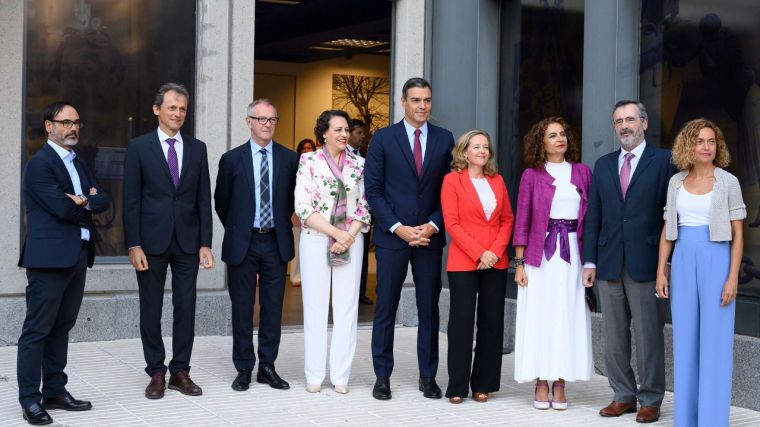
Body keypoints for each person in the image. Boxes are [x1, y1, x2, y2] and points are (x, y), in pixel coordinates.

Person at [582, 100, 677, 423]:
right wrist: (589, 262)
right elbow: (594, 216)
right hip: (609, 262)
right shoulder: (604, 164)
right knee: (613, 337)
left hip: (647, 262)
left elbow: (672, 215)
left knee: (649, 335)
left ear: (644, 123)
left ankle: (651, 398)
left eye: (630, 120)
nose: (624, 126)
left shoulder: (664, 161)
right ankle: (623, 395)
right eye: (619, 121)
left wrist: (667, 262)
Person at [17, 101, 110, 426]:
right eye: (66, 122)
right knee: (37, 330)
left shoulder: (78, 161)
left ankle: (55, 391)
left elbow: (105, 199)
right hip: (48, 260)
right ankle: (30, 400)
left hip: (77, 256)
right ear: (49, 126)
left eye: (77, 123)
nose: (73, 128)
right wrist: (88, 201)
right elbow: (61, 209)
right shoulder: (40, 164)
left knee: (61, 327)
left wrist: (85, 199)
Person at [364, 77, 455, 400]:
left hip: (429, 238)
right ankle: (382, 376)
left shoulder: (445, 139)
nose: (422, 106)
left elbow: (451, 190)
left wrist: (432, 225)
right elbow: (372, 191)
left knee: (429, 308)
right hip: (393, 238)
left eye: (427, 100)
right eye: (416, 100)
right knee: (385, 308)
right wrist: (398, 227)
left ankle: (428, 377)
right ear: (403, 102)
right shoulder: (383, 139)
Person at [123, 83, 215, 399]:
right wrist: (133, 244)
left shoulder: (198, 148)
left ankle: (180, 371)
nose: (177, 113)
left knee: (186, 307)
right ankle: (156, 372)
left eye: (182, 109)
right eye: (172, 107)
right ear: (156, 109)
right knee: (151, 308)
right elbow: (131, 200)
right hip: (150, 243)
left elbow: (204, 199)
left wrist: (206, 242)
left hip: (188, 242)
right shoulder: (138, 147)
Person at [656, 119, 745, 427]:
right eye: (700, 141)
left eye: (711, 141)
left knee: (715, 342)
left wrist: (732, 277)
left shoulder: (728, 182)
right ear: (688, 147)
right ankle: (687, 420)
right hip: (683, 260)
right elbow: (668, 229)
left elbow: (738, 234)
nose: (706, 147)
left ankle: (712, 420)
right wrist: (661, 271)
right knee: (685, 340)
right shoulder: (676, 182)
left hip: (717, 258)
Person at [214, 99, 299, 392]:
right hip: (244, 242)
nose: (267, 124)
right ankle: (243, 367)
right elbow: (221, 203)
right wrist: (240, 228)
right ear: (248, 121)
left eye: (272, 119)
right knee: (242, 307)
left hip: (276, 241)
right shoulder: (231, 159)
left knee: (273, 308)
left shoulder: (290, 159)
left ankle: (267, 367)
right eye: (261, 119)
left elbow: (291, 200)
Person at [512, 118, 593, 410]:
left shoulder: (583, 172)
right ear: (541, 142)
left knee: (566, 316)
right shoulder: (531, 176)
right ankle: (541, 381)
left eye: (563, 134)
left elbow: (592, 218)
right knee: (541, 316)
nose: (560, 139)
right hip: (540, 257)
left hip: (573, 254)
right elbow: (521, 221)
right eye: (552, 135)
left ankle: (560, 381)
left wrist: (591, 262)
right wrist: (519, 263)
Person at [294, 110, 371, 394]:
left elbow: (365, 206)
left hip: (351, 240)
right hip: (317, 238)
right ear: (323, 132)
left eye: (346, 129)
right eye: (337, 129)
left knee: (347, 308)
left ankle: (341, 375)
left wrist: (348, 236)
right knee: (314, 307)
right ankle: (314, 373)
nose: (343, 134)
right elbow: (303, 207)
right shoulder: (308, 161)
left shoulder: (360, 164)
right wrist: (336, 233)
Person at [440, 129, 513, 404]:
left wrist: (493, 252)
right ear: (465, 152)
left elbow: (507, 220)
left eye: (485, 147)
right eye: (476, 146)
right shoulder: (452, 181)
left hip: (495, 260)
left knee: (492, 323)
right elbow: (452, 223)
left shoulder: (498, 180)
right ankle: (457, 386)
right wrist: (479, 252)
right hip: (464, 261)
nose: (482, 151)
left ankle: (483, 383)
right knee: (461, 323)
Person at [348, 118, 373, 305]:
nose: (363, 136)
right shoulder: (336, 156)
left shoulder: (366, 157)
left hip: (362, 217)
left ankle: (360, 292)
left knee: (361, 256)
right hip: (340, 217)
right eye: (359, 133)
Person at [290, 138, 317, 287]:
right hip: (297, 212)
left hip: (317, 214)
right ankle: (295, 276)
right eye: (304, 148)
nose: (307, 151)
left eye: (309, 148)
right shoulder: (294, 167)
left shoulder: (320, 166)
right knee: (296, 244)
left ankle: (311, 276)